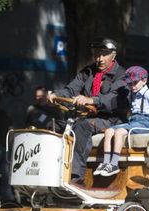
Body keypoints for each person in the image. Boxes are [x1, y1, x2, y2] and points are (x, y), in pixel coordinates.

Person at [48, 37, 129, 184]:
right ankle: (50, 173)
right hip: (86, 117)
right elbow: (71, 89)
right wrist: (56, 95)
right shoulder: (87, 72)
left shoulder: (122, 75)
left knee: (81, 127)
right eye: (97, 54)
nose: (100, 58)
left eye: (104, 54)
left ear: (113, 55)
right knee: (53, 126)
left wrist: (92, 100)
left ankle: (76, 179)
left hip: (111, 120)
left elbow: (114, 99)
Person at [93, 66, 149, 176]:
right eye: (130, 84)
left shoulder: (148, 94)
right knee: (109, 131)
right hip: (133, 121)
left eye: (135, 83)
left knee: (119, 132)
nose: (132, 86)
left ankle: (114, 164)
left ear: (144, 80)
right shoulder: (134, 93)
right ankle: (106, 162)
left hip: (145, 122)